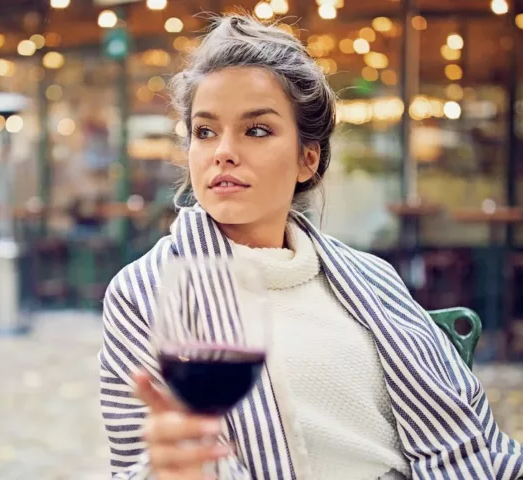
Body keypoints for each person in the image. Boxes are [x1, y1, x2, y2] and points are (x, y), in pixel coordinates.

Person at [98, 14, 523, 480]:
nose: (222, 150)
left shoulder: (372, 278)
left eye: (256, 130)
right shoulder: (146, 291)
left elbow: (474, 442)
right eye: (205, 131)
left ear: (308, 158)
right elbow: (136, 466)